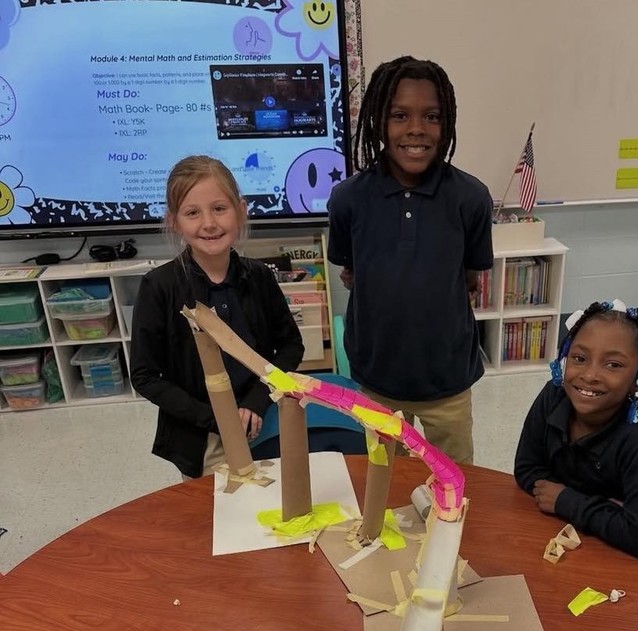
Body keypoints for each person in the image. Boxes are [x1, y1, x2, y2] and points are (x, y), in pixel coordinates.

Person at [327, 55, 494, 464]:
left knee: (453, 483)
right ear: (379, 122)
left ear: (447, 122)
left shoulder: (471, 198)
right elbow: (351, 269)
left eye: (431, 116)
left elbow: (470, 277)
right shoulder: (349, 198)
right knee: (384, 486)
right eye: (400, 115)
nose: (416, 129)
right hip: (377, 380)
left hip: (448, 381)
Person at [130, 155, 303, 478]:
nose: (209, 223)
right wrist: (217, 418)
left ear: (241, 210)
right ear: (174, 221)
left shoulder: (260, 277)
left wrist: (257, 399)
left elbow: (291, 345)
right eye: (193, 213)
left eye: (219, 209)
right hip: (203, 436)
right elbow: (145, 375)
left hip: (265, 418)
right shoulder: (159, 287)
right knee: (220, 516)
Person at [514, 300, 638, 561]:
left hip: (616, 559)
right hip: (563, 536)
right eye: (579, 358)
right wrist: (594, 509)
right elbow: (526, 468)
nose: (590, 375)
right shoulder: (553, 396)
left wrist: (567, 501)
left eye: (613, 365)